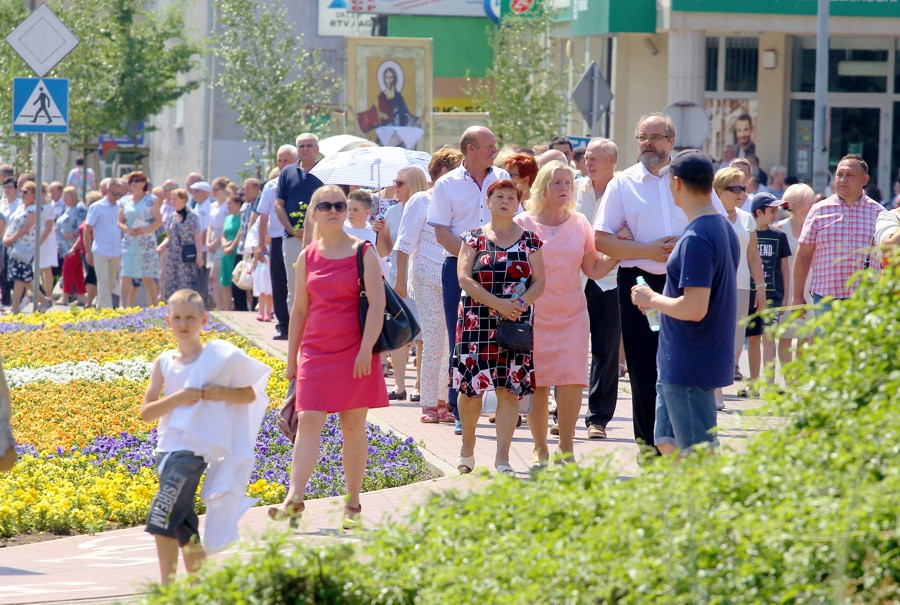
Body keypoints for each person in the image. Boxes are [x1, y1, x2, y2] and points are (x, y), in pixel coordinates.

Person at [594, 113, 725, 452]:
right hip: (639, 283)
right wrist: (645, 250)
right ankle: (649, 451)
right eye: (642, 137)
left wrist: (684, 248)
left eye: (655, 136)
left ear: (671, 140)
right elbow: (601, 239)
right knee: (643, 369)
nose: (648, 143)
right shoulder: (622, 183)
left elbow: (718, 224)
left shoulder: (690, 180)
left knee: (686, 367)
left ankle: (689, 445)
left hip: (688, 282)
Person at [274, 185, 388, 530]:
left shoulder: (363, 251)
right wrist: (292, 359)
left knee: (352, 426)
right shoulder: (306, 256)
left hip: (357, 351)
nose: (334, 210)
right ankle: (294, 498)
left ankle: (352, 505)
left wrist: (366, 349)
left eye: (340, 204)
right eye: (326, 205)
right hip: (315, 350)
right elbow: (299, 310)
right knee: (308, 419)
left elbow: (379, 304)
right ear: (314, 212)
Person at [141, 288, 269, 584]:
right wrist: (180, 397)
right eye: (177, 318)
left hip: (193, 452)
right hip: (166, 451)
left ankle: (167, 591)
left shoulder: (217, 357)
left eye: (190, 317)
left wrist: (221, 392)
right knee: (184, 525)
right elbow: (146, 412)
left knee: (161, 515)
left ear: (204, 320)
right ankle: (201, 589)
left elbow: (250, 394)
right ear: (168, 321)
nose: (183, 324)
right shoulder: (163, 361)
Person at [630, 149, 739, 455]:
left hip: (690, 361)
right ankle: (680, 502)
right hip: (684, 358)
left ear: (676, 183)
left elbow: (694, 308)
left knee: (696, 453)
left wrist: (652, 298)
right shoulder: (721, 228)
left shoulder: (696, 237)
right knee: (666, 441)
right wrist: (659, 303)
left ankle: (708, 503)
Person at [516, 161, 616, 466]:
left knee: (572, 380)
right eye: (557, 183)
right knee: (539, 382)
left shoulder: (580, 223)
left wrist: (619, 252)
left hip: (572, 313)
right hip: (534, 316)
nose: (564, 188)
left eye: (568, 183)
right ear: (542, 188)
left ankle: (567, 447)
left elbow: (593, 269)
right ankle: (540, 448)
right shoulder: (523, 223)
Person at [454, 179, 545, 475]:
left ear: (518, 203)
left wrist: (519, 304)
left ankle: (502, 459)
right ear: (488, 202)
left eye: (510, 197)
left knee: (509, 389)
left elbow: (540, 281)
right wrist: (495, 302)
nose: (505, 201)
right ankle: (467, 449)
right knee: (471, 389)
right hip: (475, 320)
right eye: (498, 197)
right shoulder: (473, 237)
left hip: (514, 322)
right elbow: (465, 279)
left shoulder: (531, 239)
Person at [427, 126, 510, 433]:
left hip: (501, 270)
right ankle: (461, 412)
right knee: (461, 340)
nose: (494, 149)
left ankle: (504, 408)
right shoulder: (446, 184)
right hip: (458, 270)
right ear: (470, 149)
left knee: (502, 340)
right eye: (489, 144)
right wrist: (472, 259)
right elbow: (441, 232)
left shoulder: (503, 178)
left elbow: (514, 217)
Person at [394, 147, 462, 423]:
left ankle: (445, 400)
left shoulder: (459, 202)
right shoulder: (420, 201)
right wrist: (400, 279)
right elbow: (404, 244)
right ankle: (429, 404)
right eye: (459, 170)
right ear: (444, 172)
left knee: (451, 340)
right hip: (425, 278)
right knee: (434, 338)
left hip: (454, 277)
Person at [790, 155, 884, 314]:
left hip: (866, 300)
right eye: (839, 175)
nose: (842, 179)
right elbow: (803, 254)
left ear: (864, 179)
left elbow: (888, 257)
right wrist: (798, 296)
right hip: (826, 298)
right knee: (825, 339)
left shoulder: (879, 213)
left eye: (849, 175)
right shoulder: (819, 210)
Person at [575, 137, 622, 439]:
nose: (588, 163)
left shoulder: (624, 191)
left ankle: (598, 418)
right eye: (587, 158)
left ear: (611, 162)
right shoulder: (575, 189)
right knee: (572, 346)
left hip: (610, 278)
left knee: (606, 351)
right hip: (575, 278)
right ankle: (561, 408)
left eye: (595, 158)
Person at [376, 165, 428, 402]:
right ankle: (399, 386)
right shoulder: (392, 212)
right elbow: (384, 250)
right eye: (395, 182)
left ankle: (419, 384)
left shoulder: (427, 208)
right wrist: (380, 233)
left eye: (400, 183)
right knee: (399, 331)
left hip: (420, 277)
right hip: (397, 277)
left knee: (423, 334)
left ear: (414, 185)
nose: (394, 187)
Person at [713, 167, 766, 388]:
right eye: (734, 188)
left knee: (736, 340)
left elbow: (753, 256)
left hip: (742, 286)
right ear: (718, 190)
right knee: (715, 336)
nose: (740, 193)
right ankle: (714, 387)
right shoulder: (710, 215)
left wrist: (761, 287)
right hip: (715, 286)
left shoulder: (746, 219)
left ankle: (721, 382)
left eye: (743, 188)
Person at [742, 193, 791, 393]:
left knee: (769, 336)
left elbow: (785, 268)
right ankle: (754, 383)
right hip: (749, 294)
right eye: (771, 211)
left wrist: (786, 297)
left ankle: (770, 385)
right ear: (758, 212)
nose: (776, 214)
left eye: (777, 210)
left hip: (772, 296)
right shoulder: (747, 234)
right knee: (752, 338)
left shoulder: (779, 236)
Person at [274, 134, 323, 329]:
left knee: (318, 285)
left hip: (321, 238)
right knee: (294, 286)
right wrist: (292, 229)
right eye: (301, 146)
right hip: (292, 238)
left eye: (309, 145)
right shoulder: (287, 172)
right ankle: (296, 333)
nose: (305, 149)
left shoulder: (325, 171)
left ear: (316, 148)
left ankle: (317, 330)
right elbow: (279, 205)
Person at [259, 146, 298, 340]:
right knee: (279, 283)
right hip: (277, 239)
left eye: (287, 160)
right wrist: (260, 244)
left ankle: (300, 324)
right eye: (280, 161)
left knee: (299, 282)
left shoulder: (301, 182)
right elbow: (263, 216)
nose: (282, 164)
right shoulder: (271, 186)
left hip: (299, 238)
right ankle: (284, 325)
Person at [775, 184, 816, 357]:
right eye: (810, 202)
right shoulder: (780, 229)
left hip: (809, 287)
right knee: (786, 336)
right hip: (787, 288)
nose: (813, 206)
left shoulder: (814, 227)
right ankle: (788, 378)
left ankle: (798, 380)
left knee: (806, 336)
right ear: (798, 205)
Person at [118, 171, 163, 307]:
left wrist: (144, 229)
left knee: (147, 276)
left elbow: (159, 221)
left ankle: (154, 306)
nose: (134, 183)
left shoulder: (151, 200)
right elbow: (119, 221)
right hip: (130, 241)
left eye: (138, 180)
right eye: (132, 181)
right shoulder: (125, 201)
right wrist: (128, 229)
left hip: (146, 241)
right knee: (126, 273)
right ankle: (123, 306)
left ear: (144, 183)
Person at [159, 189, 205, 300]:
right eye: (172, 198)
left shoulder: (192, 216)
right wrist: (161, 245)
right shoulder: (172, 217)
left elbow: (197, 237)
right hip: (173, 256)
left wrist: (199, 255)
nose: (172, 201)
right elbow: (169, 236)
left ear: (183, 200)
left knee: (185, 283)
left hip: (186, 257)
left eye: (175, 198)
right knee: (170, 282)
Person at [2, 181, 39, 313]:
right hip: (14, 247)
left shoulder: (34, 209)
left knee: (22, 277)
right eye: (21, 191)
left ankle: (17, 305)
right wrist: (6, 237)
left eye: (26, 192)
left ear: (34, 195)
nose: (22, 194)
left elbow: (26, 228)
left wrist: (11, 238)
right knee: (19, 277)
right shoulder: (20, 207)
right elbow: (11, 224)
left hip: (25, 247)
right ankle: (15, 305)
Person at [56, 186, 88, 304]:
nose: (63, 198)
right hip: (66, 245)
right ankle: (81, 296)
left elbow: (83, 226)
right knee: (76, 271)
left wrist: (73, 235)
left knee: (67, 269)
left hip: (76, 245)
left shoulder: (79, 208)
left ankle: (65, 296)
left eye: (66, 195)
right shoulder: (67, 209)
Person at [357, 65, 412, 133]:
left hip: (396, 133)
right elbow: (372, 113)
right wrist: (359, 116)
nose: (389, 80)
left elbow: (405, 114)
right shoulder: (380, 97)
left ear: (395, 79)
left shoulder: (398, 97)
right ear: (384, 79)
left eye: (391, 77)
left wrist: (419, 120)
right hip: (383, 133)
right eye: (386, 77)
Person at [206, 177, 231, 310]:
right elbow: (210, 225)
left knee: (217, 274)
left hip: (221, 239)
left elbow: (225, 225)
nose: (213, 192)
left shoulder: (226, 205)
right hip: (213, 238)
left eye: (216, 189)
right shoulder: (212, 205)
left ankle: (223, 306)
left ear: (223, 190)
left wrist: (216, 242)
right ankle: (218, 304)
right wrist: (208, 241)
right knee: (213, 277)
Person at [219, 196, 243, 310]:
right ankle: (227, 307)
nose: (228, 206)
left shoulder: (242, 217)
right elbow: (223, 234)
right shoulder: (228, 218)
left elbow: (240, 233)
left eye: (230, 203)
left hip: (236, 251)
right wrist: (224, 244)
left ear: (238, 204)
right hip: (226, 251)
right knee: (225, 279)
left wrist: (231, 246)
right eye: (227, 204)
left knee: (238, 279)